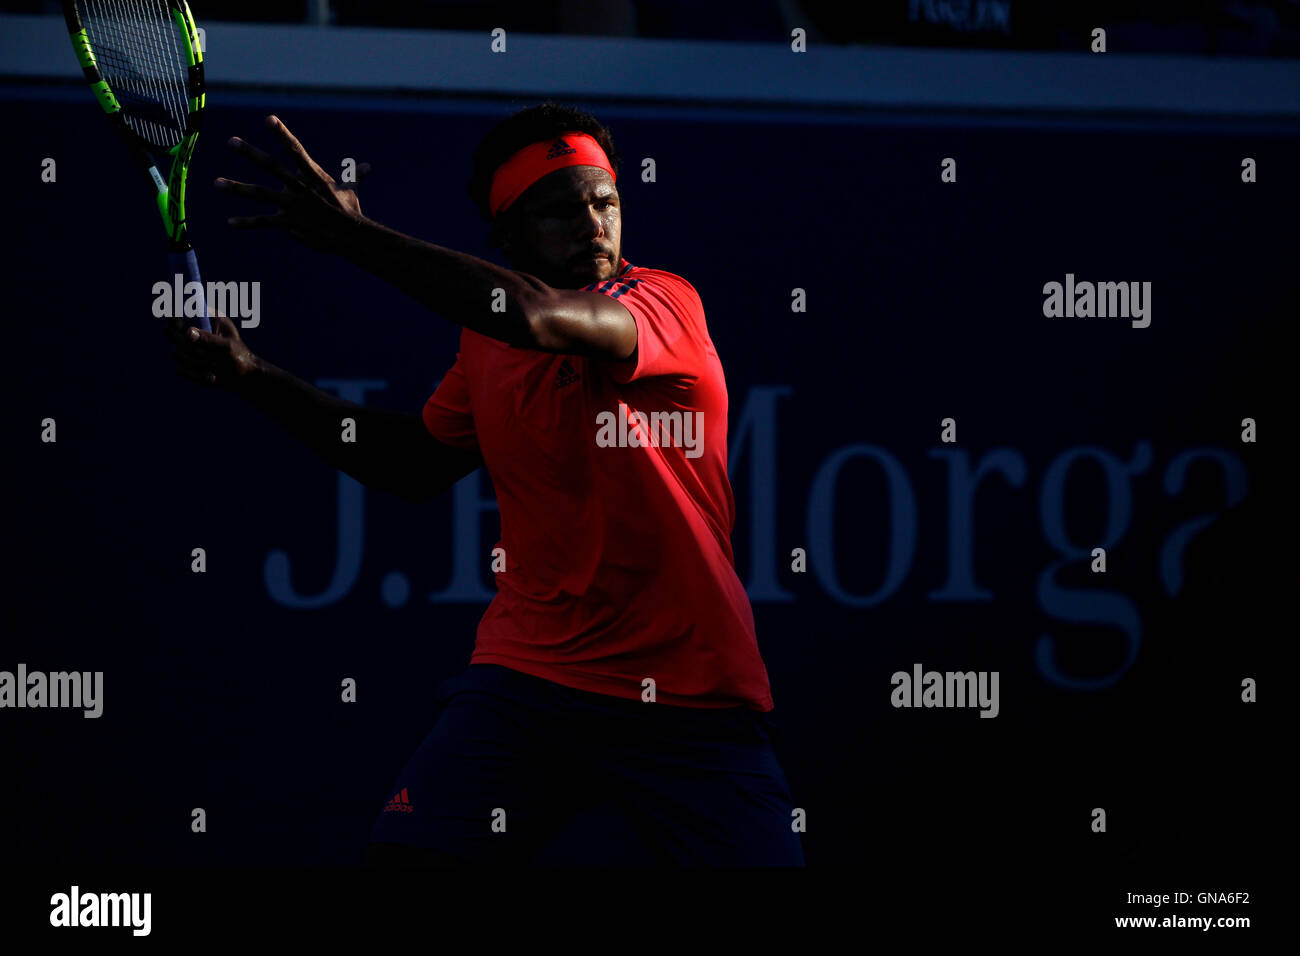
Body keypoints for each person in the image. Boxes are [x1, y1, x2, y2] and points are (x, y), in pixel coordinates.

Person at [166, 101, 803, 866]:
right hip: (532, 678)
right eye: (561, 212)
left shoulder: (666, 304)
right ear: (509, 237)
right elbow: (412, 464)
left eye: (605, 204)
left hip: (690, 690)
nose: (593, 226)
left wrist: (354, 238)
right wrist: (255, 376)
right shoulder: (486, 345)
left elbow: (535, 316)